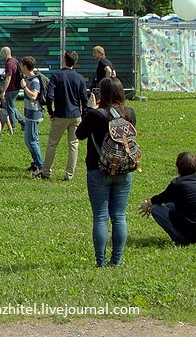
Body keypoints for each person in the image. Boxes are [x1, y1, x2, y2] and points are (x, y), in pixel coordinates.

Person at [76, 77, 136, 267]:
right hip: (124, 169)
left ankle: (100, 261)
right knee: (119, 216)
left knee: (100, 217)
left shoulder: (96, 114)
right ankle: (116, 260)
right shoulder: (130, 113)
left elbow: (79, 134)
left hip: (98, 169)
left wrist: (89, 109)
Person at [42, 50, 91, 181]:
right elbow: (84, 99)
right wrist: (84, 114)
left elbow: (49, 95)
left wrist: (50, 111)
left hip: (60, 115)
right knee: (73, 144)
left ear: (64, 60)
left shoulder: (56, 76)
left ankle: (46, 171)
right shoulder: (79, 78)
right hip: (75, 115)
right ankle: (69, 174)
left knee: (52, 143)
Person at [139, 151, 196, 246]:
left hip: (190, 231)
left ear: (177, 168)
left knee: (156, 209)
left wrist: (148, 204)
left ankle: (180, 239)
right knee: (170, 205)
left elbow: (160, 198)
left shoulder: (177, 184)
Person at [20, 57, 46, 176]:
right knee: (29, 140)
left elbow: (34, 96)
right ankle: (36, 163)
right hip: (29, 112)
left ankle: (41, 165)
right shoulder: (28, 78)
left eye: (21, 64)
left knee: (32, 141)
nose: (20, 66)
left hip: (34, 113)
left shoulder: (34, 80)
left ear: (25, 66)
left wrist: (24, 87)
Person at [0, 46, 21, 133]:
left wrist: (3, 91)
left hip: (11, 88)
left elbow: (8, 78)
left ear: (6, 53)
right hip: (16, 87)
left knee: (10, 108)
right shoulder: (15, 61)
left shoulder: (9, 63)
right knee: (11, 106)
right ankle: (22, 121)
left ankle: (13, 126)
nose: (1, 55)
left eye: (2, 53)